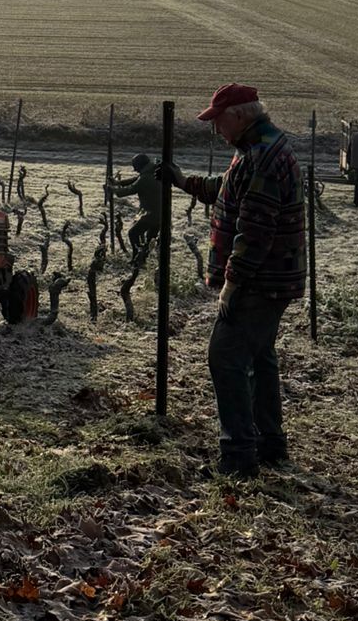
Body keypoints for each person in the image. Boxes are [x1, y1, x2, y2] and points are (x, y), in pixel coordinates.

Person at [162, 84, 306, 477]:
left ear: (240, 115)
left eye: (218, 120)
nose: (216, 130)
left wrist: (233, 283)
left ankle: (239, 458)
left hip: (260, 280)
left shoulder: (260, 156)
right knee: (259, 358)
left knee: (225, 357)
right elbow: (229, 192)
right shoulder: (259, 148)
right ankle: (269, 445)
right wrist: (182, 181)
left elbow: (256, 229)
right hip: (274, 277)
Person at [111, 151, 163, 260]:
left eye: (135, 167)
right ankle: (143, 258)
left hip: (150, 214)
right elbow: (135, 179)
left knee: (133, 234)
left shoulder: (145, 178)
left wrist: (113, 190)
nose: (135, 170)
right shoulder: (154, 172)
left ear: (140, 166)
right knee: (149, 239)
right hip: (160, 214)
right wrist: (118, 183)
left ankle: (137, 257)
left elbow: (131, 189)